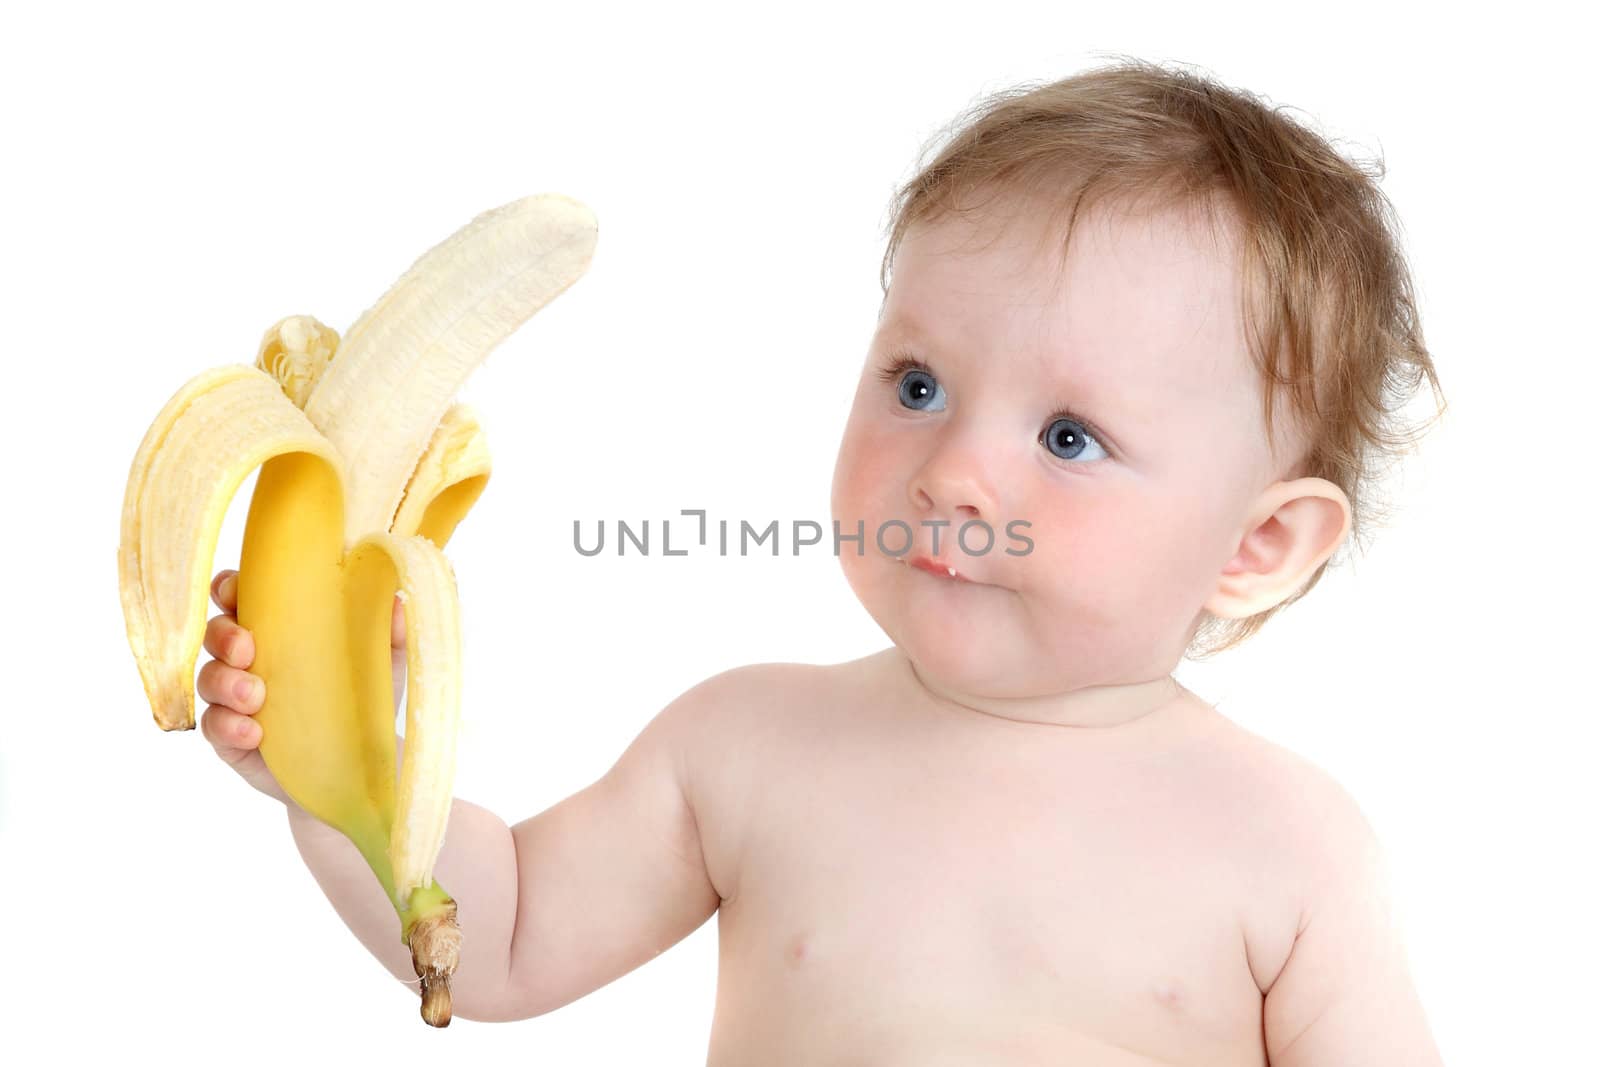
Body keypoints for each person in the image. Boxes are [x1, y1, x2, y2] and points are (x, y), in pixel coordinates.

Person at [195, 57, 1446, 1064]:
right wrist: (336, 759)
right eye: (918, 382)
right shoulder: (746, 745)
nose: (952, 468)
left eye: (1069, 436)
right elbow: (503, 936)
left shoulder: (1287, 842)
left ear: (1256, 544)